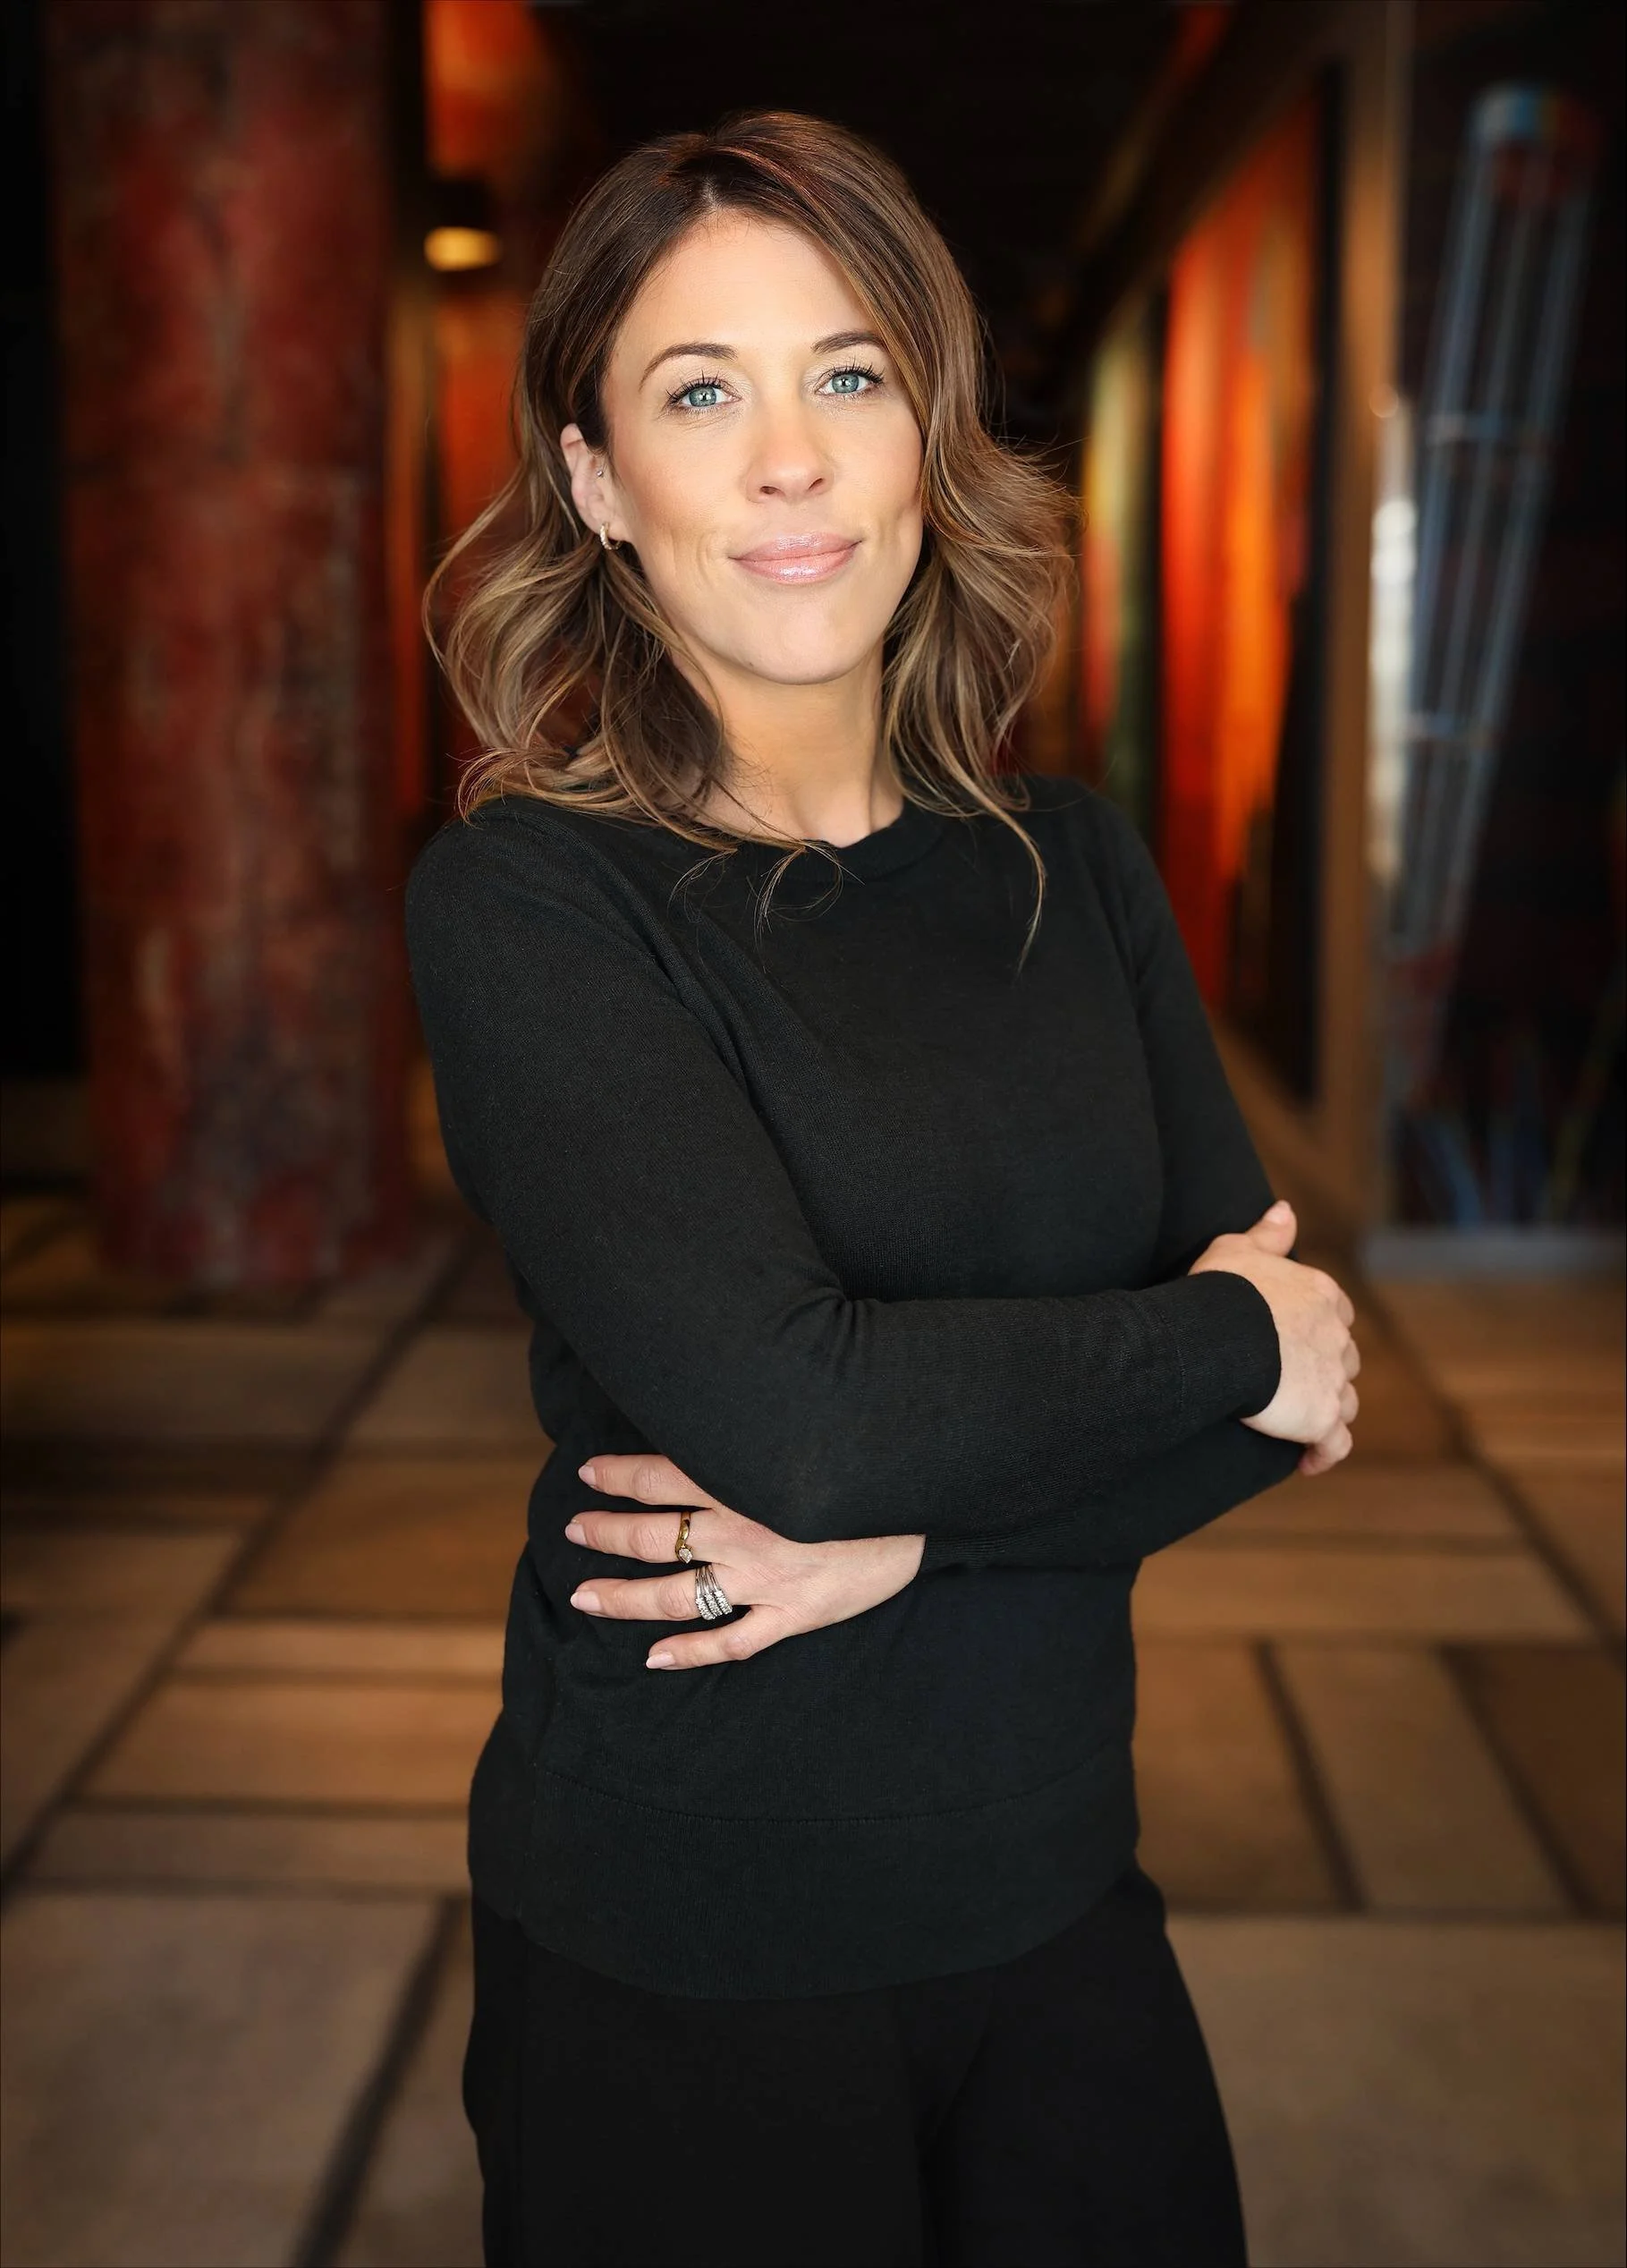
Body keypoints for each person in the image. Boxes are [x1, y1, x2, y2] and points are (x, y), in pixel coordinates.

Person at [405, 109, 1360, 2268]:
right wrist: (1224, 1341)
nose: (787, 462)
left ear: (925, 432)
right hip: (691, 1932)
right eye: (697, 392)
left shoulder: (1078, 868)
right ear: (593, 482)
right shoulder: (536, 906)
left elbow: (1276, 1436)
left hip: (1055, 1880)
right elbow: (810, 1421)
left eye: (847, 374)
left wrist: (899, 1544)